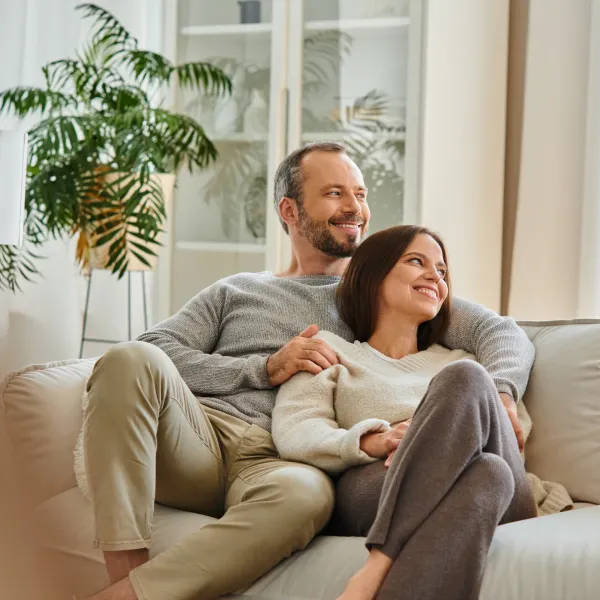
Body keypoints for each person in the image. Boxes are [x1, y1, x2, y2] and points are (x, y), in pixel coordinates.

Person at [78, 142, 537, 600]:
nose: (355, 207)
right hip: (198, 436)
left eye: (360, 193)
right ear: (290, 210)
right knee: (128, 359)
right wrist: (264, 368)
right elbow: (153, 347)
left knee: (308, 497)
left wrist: (501, 394)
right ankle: (121, 575)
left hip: (277, 459)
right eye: (335, 193)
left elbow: (502, 334)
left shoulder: (379, 289)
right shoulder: (237, 290)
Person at [273, 225, 566, 600]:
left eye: (442, 271)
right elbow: (295, 430)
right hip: (375, 486)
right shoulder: (328, 351)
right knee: (487, 474)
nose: (435, 276)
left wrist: (429, 435)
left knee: (466, 384)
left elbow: (509, 433)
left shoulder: (467, 364)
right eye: (416, 262)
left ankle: (376, 565)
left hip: (507, 494)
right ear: (373, 275)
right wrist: (376, 439)